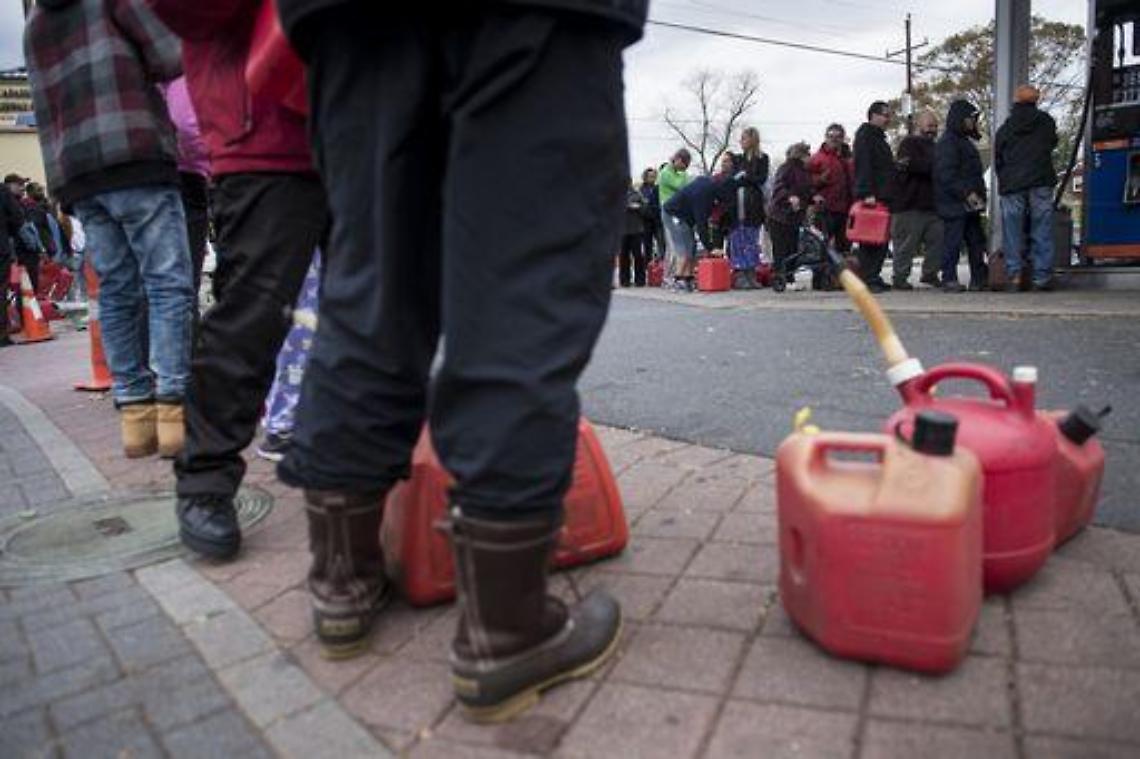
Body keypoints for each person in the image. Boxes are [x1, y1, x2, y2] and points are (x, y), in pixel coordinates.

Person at [274, 0, 644, 721]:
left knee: (370, 287)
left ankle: (341, 585)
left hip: (342, 22)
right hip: (541, 17)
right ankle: (505, 631)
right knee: (523, 286)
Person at [151, 1, 328, 562]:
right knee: (253, 314)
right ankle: (205, 478)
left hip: (362, 117)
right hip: (263, 133)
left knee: (381, 311)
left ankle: (367, 480)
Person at [24, 0, 195, 460]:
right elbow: (170, 55)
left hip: (80, 174)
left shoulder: (36, 22)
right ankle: (174, 409)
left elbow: (41, 110)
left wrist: (60, 184)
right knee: (168, 284)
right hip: (135, 151)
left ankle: (136, 417)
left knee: (117, 290)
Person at [994, 85, 1059, 292]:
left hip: (1012, 184)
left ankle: (1014, 276)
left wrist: (1004, 179)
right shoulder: (1046, 122)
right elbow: (1052, 143)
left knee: (1012, 231)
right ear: (1036, 100)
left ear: (1016, 101)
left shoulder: (1007, 127)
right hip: (1040, 180)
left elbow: (999, 157)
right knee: (1042, 228)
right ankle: (1042, 277)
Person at [162, 76, 211, 303]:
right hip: (185, 174)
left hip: (138, 172)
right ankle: (185, 338)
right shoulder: (172, 55)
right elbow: (186, 124)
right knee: (181, 287)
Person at [935, 99, 988, 292]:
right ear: (961, 119)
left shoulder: (962, 142)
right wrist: (968, 194)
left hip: (967, 204)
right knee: (953, 242)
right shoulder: (949, 143)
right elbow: (946, 174)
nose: (973, 123)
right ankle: (949, 278)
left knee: (976, 241)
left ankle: (979, 278)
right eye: (971, 119)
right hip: (955, 204)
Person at [663, 154, 736, 292]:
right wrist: (711, 248)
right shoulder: (703, 194)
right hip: (673, 214)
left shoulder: (711, 188)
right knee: (684, 248)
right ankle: (678, 281)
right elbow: (701, 224)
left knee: (691, 246)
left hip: (683, 216)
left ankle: (688, 279)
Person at [891, 110, 944, 290]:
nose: (933, 130)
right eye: (930, 125)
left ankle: (930, 274)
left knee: (937, 241)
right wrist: (936, 167)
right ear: (919, 125)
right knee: (906, 245)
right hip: (909, 204)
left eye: (935, 126)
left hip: (932, 205)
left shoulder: (937, 147)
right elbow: (911, 165)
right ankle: (899, 277)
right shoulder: (908, 144)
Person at [853, 101, 895, 292]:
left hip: (884, 194)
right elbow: (863, 165)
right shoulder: (865, 137)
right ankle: (867, 277)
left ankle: (874, 275)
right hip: (873, 195)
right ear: (873, 115)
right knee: (869, 239)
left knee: (881, 239)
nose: (888, 119)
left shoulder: (879, 139)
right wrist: (866, 192)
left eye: (889, 115)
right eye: (884, 115)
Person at [767, 142, 815, 292]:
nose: (809, 157)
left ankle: (788, 277)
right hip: (779, 216)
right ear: (800, 155)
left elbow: (806, 191)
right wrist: (790, 197)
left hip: (794, 217)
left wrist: (814, 198)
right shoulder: (786, 168)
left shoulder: (805, 172)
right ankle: (780, 277)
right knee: (781, 249)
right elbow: (779, 188)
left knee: (792, 248)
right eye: (807, 154)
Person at [727, 126, 769, 289]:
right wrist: (745, 178)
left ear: (752, 140)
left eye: (744, 138)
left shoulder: (763, 158)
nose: (741, 141)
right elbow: (734, 180)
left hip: (753, 202)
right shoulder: (737, 159)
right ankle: (740, 275)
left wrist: (746, 177)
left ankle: (751, 274)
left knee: (752, 239)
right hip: (738, 201)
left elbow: (761, 178)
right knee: (739, 238)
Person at [808, 124, 855, 255]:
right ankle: (820, 275)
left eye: (838, 136)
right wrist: (819, 182)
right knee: (822, 248)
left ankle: (839, 275)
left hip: (847, 210)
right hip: (825, 210)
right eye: (831, 136)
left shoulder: (849, 159)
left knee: (844, 249)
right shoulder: (817, 158)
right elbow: (805, 182)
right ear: (826, 138)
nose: (834, 139)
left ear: (843, 138)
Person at [658, 148, 692, 285]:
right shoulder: (665, 173)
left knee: (681, 245)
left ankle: (679, 275)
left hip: (677, 213)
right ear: (677, 159)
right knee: (674, 246)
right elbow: (681, 186)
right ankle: (669, 277)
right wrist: (685, 176)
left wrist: (683, 175)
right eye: (683, 166)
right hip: (668, 212)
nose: (684, 170)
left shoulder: (677, 173)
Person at [0, 178, 24, 347]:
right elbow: (17, 217)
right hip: (0, 246)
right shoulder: (2, 191)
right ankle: (1, 335)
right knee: (1, 288)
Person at [618, 180, 646, 287]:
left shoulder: (637, 194)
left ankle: (640, 280)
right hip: (622, 230)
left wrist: (639, 207)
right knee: (623, 256)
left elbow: (645, 209)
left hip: (636, 229)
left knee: (638, 256)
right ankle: (624, 280)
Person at [639, 167, 663, 260]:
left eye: (654, 176)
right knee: (647, 246)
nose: (652, 178)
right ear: (645, 177)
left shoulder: (658, 188)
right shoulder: (641, 190)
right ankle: (647, 266)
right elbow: (642, 204)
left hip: (657, 220)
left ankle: (661, 263)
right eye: (650, 176)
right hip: (646, 222)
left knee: (661, 243)